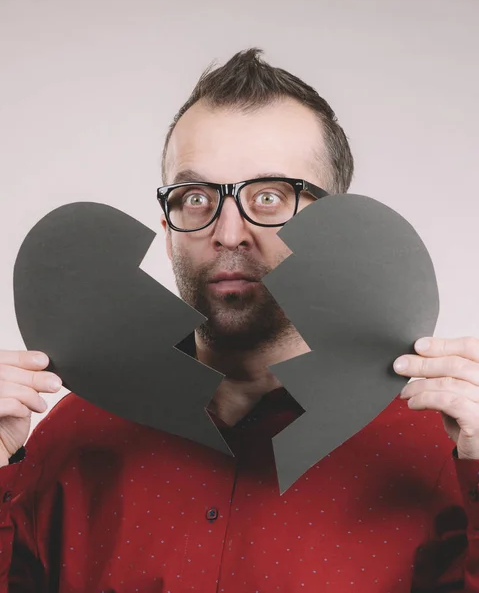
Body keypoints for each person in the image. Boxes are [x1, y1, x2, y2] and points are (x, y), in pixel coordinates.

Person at [1, 48, 479, 593]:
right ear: (167, 222)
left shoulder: (439, 450)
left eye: (270, 196)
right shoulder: (70, 441)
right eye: (197, 197)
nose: (229, 233)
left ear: (338, 223)